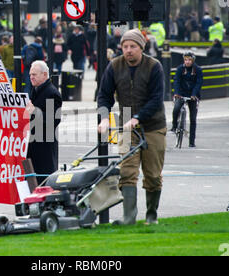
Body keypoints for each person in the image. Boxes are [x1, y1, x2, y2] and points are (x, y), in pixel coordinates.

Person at [97, 29, 167, 225]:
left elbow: (156, 99)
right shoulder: (114, 66)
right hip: (126, 127)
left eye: (132, 47)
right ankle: (129, 218)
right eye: (125, 46)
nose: (128, 50)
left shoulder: (154, 66)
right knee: (127, 172)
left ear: (141, 48)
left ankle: (151, 216)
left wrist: (137, 117)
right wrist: (103, 118)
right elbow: (104, 95)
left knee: (153, 174)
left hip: (153, 125)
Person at [25, 60, 62, 184]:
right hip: (32, 144)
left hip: (44, 147)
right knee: (31, 181)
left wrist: (34, 111)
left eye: (34, 74)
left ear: (45, 75)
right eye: (30, 74)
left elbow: (53, 120)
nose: (31, 77)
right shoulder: (35, 89)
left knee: (43, 182)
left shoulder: (52, 93)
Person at [171, 51, 203, 148]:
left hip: (193, 95)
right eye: (185, 60)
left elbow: (198, 83)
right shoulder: (180, 69)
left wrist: (194, 95)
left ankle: (191, 141)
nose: (187, 62)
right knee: (176, 108)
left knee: (193, 119)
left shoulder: (197, 70)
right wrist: (176, 93)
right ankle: (174, 126)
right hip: (181, 93)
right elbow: (176, 81)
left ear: (193, 60)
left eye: (189, 60)